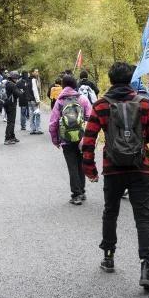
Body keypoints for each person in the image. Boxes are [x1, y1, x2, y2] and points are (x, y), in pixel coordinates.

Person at [81, 62, 149, 290]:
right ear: (130, 80)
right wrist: (139, 137)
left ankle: (108, 256)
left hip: (113, 168)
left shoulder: (100, 105)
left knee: (110, 212)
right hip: (140, 168)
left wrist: (91, 170)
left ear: (110, 79)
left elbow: (88, 141)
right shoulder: (144, 103)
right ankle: (147, 266)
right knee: (143, 218)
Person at [48, 75, 93, 205]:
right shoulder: (82, 99)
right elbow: (90, 118)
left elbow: (53, 123)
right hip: (81, 138)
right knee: (81, 164)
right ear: (75, 85)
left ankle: (76, 194)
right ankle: (82, 191)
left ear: (63, 85)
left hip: (66, 139)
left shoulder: (60, 101)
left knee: (72, 166)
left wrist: (55, 140)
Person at [2, 71, 22, 145]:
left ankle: (12, 136)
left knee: (11, 121)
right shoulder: (12, 85)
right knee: (11, 122)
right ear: (13, 78)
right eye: (16, 78)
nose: (17, 79)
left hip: (7, 103)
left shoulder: (7, 83)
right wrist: (21, 91)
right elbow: (18, 94)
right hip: (11, 104)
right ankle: (7, 138)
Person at [27, 69, 43, 135]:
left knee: (31, 115)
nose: (37, 73)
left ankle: (32, 129)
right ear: (32, 72)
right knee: (37, 114)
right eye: (35, 72)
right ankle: (38, 129)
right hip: (34, 100)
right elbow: (35, 90)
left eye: (37, 71)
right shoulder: (34, 80)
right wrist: (38, 100)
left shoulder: (27, 80)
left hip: (29, 100)